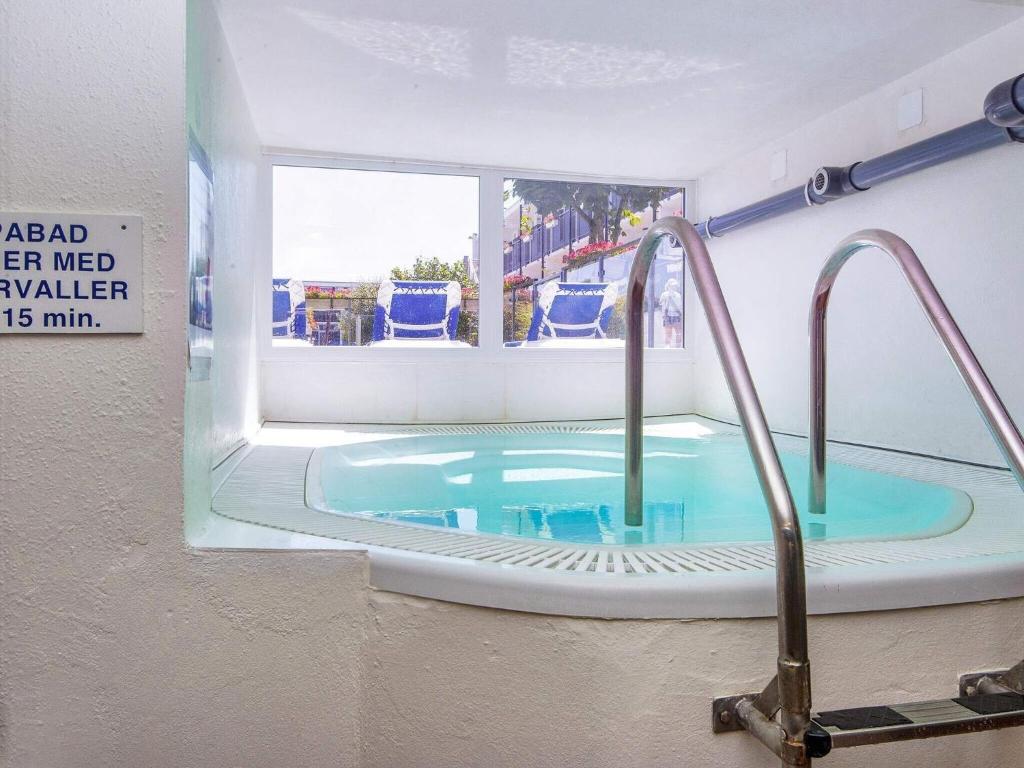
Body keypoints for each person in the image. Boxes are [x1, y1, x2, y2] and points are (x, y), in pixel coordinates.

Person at [659, 277, 683, 347]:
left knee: (678, 332)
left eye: (675, 286)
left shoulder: (678, 295)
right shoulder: (664, 294)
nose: (674, 287)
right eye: (672, 285)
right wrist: (663, 314)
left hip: (676, 315)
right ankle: (668, 346)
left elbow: (680, 305)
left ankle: (678, 346)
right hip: (668, 315)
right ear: (669, 286)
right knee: (668, 332)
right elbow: (661, 304)